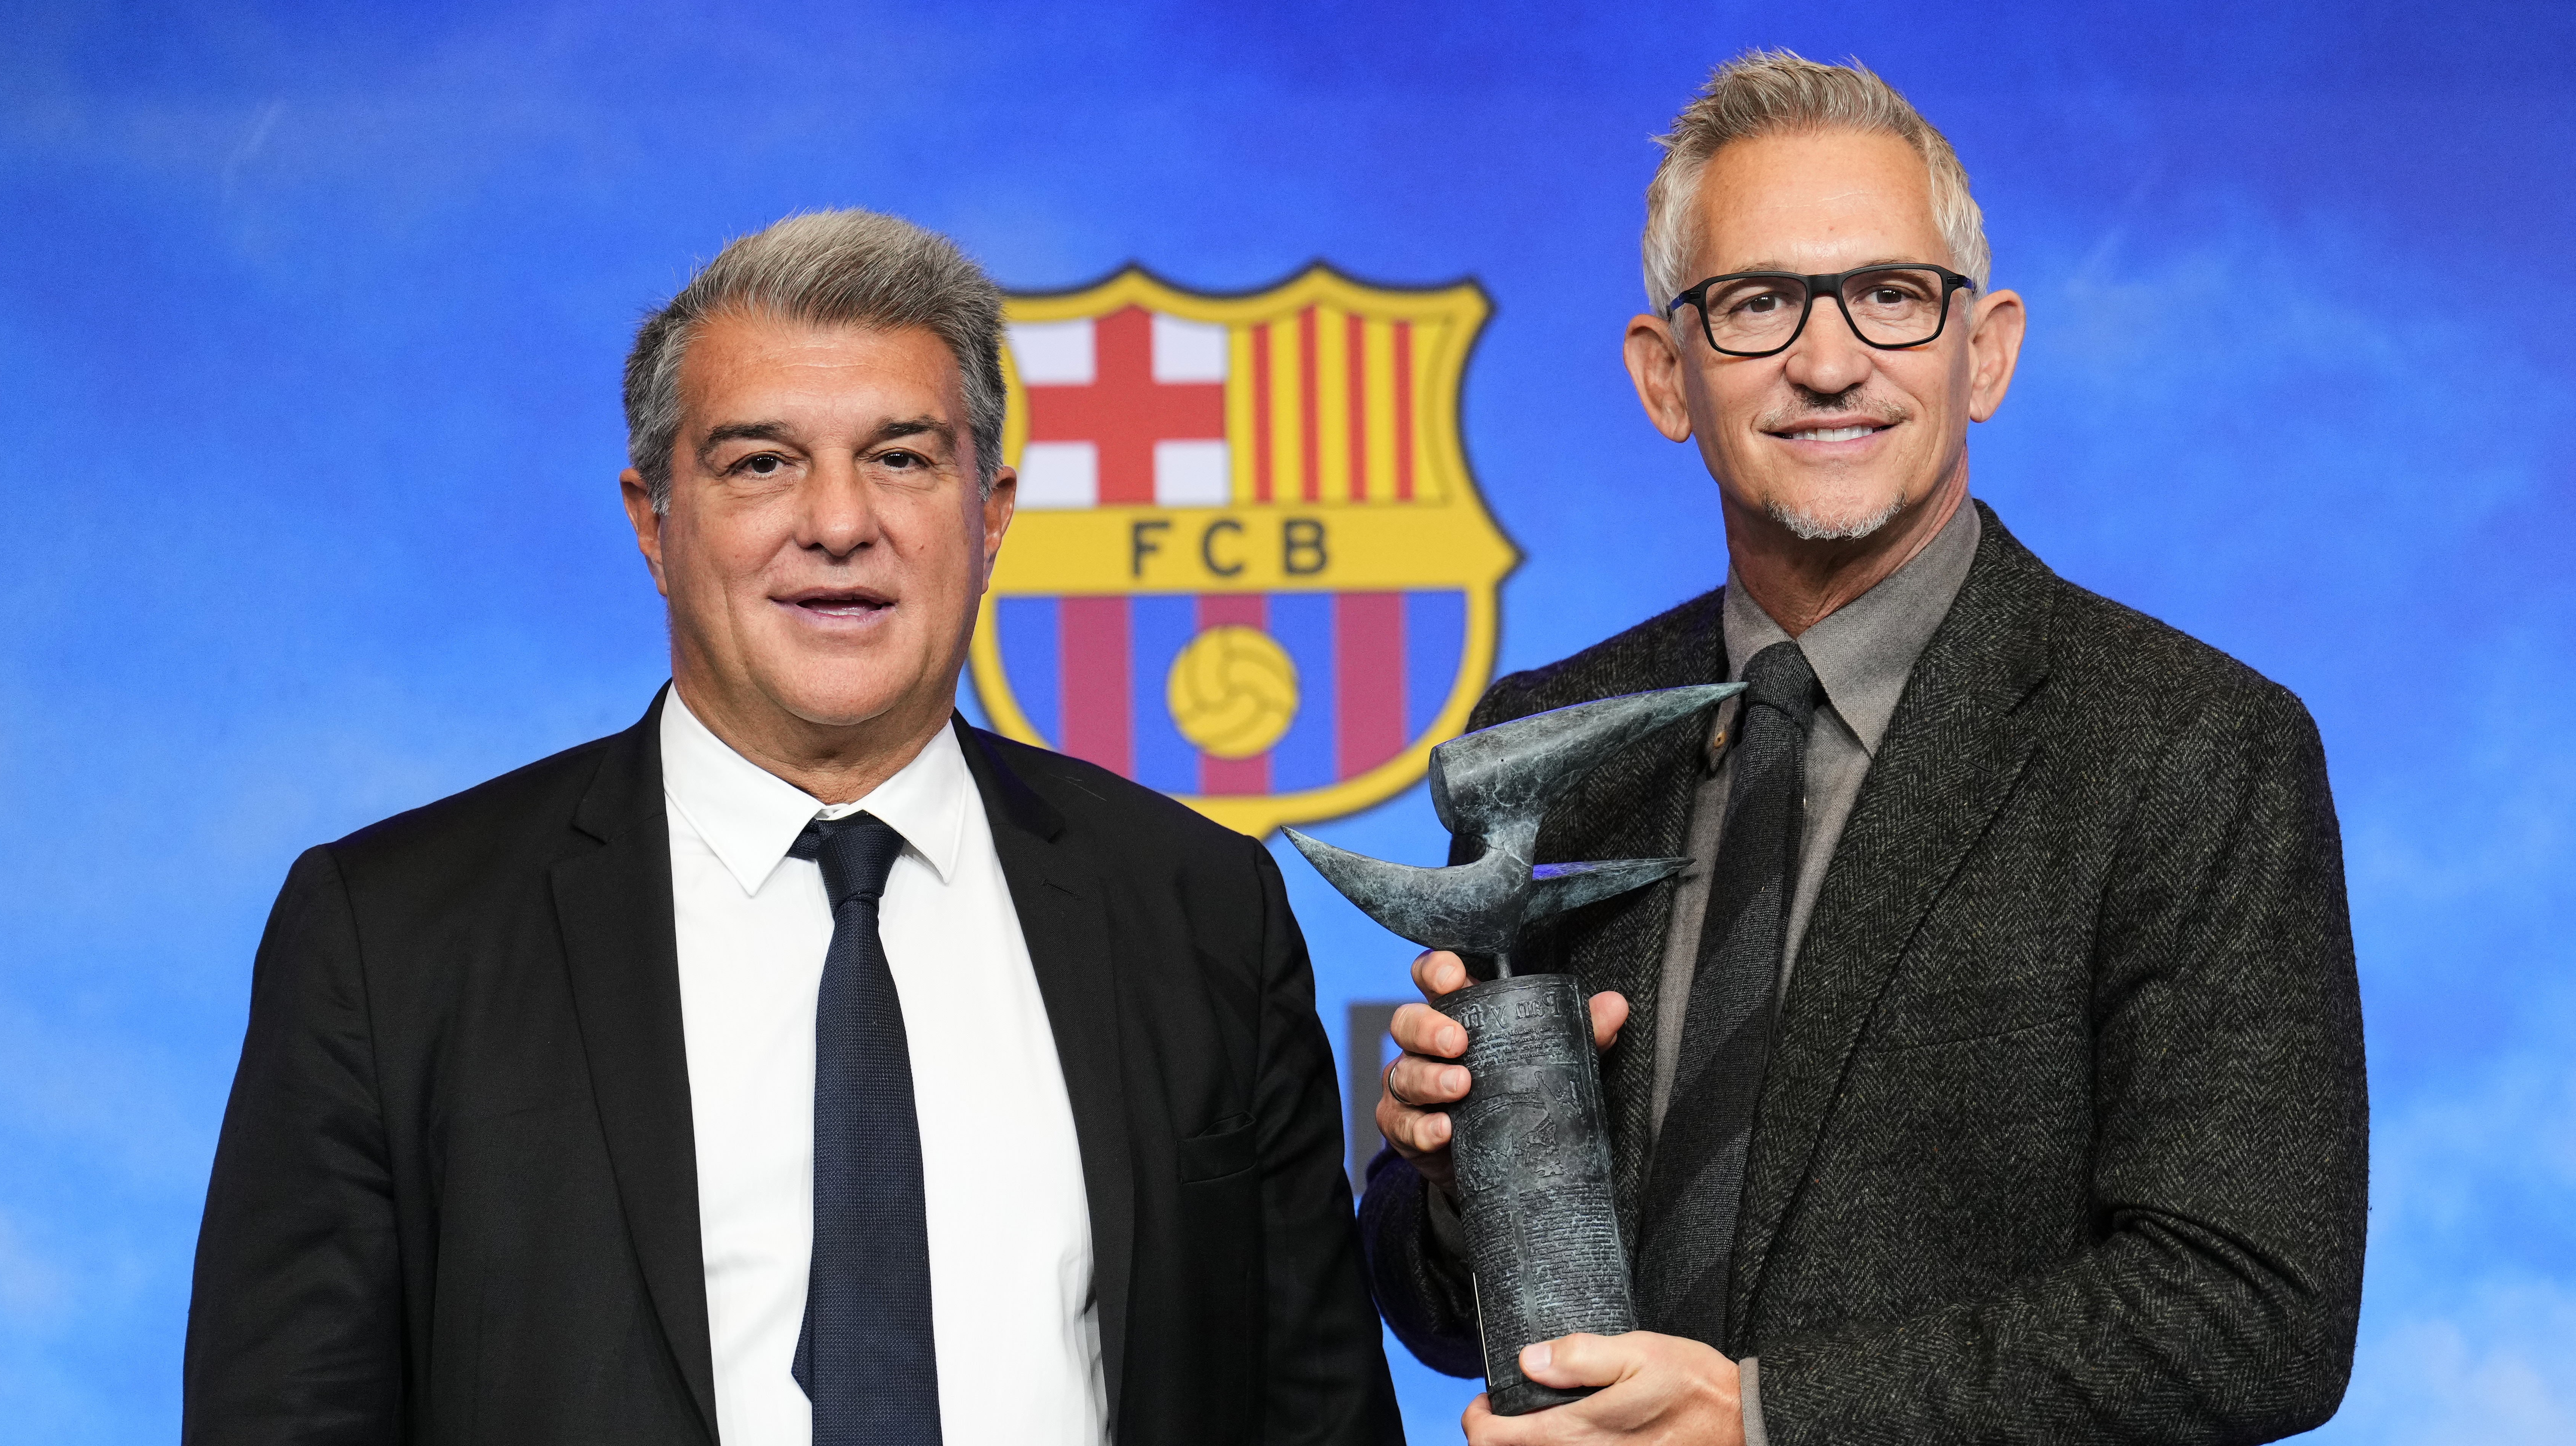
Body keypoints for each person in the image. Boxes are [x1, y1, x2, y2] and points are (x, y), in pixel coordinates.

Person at [184, 210, 1401, 1446]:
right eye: (761, 462)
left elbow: (1315, 1415)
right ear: (654, 522)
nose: (836, 523)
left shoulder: (1200, 908)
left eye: (903, 459)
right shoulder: (390, 936)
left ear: (990, 518)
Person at [1361, 51, 2365, 1446]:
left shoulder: (2191, 746)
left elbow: (2256, 1312)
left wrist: (1771, 1420)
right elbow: (1425, 1300)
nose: (1828, 364)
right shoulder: (1546, 737)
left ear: (1987, 349)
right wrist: (1461, 1174)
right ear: (1667, 375)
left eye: (1890, 297)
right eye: (1757, 304)